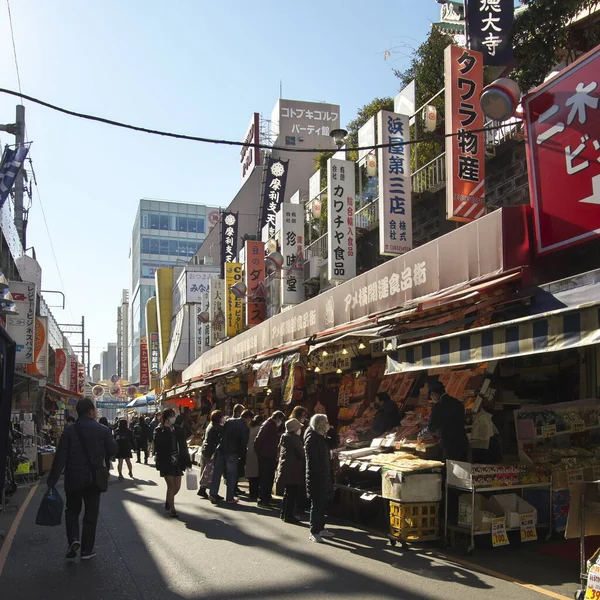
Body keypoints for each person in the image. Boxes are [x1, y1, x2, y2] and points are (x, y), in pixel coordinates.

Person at [47, 397, 117, 560]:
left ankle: (73, 540)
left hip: (73, 478)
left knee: (72, 511)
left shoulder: (70, 431)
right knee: (90, 514)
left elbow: (60, 457)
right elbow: (113, 449)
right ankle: (86, 550)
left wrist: (52, 481)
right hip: (94, 479)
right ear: (91, 411)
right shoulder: (102, 430)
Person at [153, 409, 192, 518]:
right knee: (171, 486)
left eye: (174, 416)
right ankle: (172, 509)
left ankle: (168, 501)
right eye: (171, 416)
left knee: (177, 486)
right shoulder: (159, 430)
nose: (173, 418)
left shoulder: (178, 429)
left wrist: (187, 460)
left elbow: (184, 444)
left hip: (177, 460)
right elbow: (158, 444)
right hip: (165, 461)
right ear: (165, 418)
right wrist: (165, 429)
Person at [209, 409, 253, 505]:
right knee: (231, 476)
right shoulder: (245, 427)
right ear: (248, 418)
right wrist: (242, 456)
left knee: (217, 473)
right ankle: (229, 497)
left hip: (221, 450)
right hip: (232, 453)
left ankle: (213, 493)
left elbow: (220, 433)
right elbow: (243, 443)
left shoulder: (229, 421)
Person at [305, 414, 335, 543]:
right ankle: (314, 531)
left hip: (323, 475)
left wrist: (332, 432)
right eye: (326, 422)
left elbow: (332, 444)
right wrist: (320, 474)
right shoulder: (312, 438)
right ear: (320, 424)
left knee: (322, 503)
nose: (328, 423)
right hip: (316, 476)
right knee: (317, 504)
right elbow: (313, 461)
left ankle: (321, 527)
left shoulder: (321, 436)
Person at [427, 381, 469, 462]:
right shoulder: (457, 402)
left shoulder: (438, 405)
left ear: (434, 394)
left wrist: (422, 435)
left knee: (449, 470)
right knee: (462, 471)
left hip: (449, 444)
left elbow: (432, 427)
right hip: (462, 441)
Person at [254, 410, 286, 509]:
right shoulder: (267, 425)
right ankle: (262, 500)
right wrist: (259, 452)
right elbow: (258, 439)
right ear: (277, 418)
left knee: (269, 478)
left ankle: (267, 498)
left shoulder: (271, 426)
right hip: (265, 456)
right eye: (280, 420)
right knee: (265, 478)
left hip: (269, 455)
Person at [276, 418, 305, 524]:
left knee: (287, 493)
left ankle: (284, 513)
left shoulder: (284, 437)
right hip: (293, 470)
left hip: (286, 468)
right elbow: (301, 454)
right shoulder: (294, 439)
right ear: (294, 429)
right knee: (292, 493)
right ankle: (289, 516)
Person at [197, 409, 224, 499]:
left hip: (205, 450)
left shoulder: (210, 425)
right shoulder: (217, 427)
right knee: (212, 472)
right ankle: (212, 492)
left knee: (206, 471)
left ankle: (202, 489)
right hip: (211, 452)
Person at [245, 414, 264, 501]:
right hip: (256, 452)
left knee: (251, 475)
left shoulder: (251, 428)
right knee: (256, 474)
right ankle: (255, 493)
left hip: (249, 451)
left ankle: (252, 492)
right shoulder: (260, 429)